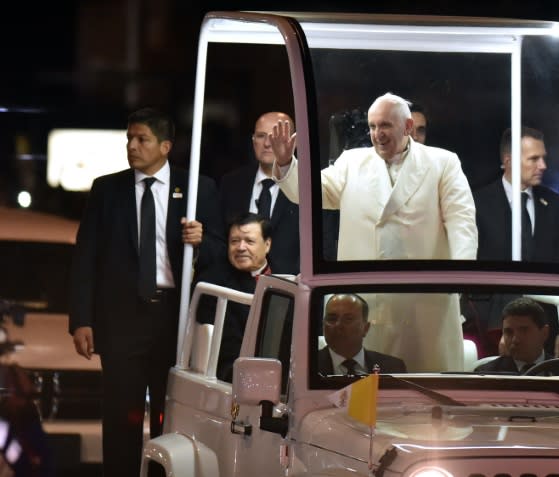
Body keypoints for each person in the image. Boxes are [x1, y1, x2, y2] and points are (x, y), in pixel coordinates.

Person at [68, 107, 225, 477]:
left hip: (175, 319)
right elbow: (85, 258)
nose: (132, 146)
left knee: (172, 416)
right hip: (121, 319)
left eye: (142, 139)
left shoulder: (198, 188)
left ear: (165, 146)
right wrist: (81, 319)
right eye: (129, 139)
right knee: (121, 415)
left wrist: (201, 241)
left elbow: (220, 251)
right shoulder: (107, 189)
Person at [271, 92, 477, 371]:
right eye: (372, 127)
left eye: (385, 126)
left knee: (424, 390)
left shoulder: (442, 163)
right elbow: (309, 194)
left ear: (406, 127)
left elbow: (462, 222)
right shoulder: (351, 162)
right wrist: (286, 163)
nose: (377, 134)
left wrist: (459, 276)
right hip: (367, 305)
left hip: (425, 304)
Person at [474, 126, 559, 262]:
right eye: (534, 159)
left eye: (543, 158)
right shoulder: (477, 203)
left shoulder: (554, 202)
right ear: (509, 162)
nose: (543, 165)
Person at [219, 111, 299, 274]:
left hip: (291, 287)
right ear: (253, 140)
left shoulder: (308, 186)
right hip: (236, 286)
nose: (268, 144)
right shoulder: (231, 183)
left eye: (275, 137)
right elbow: (221, 237)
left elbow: (324, 244)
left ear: (293, 142)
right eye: (261, 136)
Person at [204, 212, 273, 382]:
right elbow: (227, 345)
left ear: (267, 244)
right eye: (234, 241)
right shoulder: (214, 282)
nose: (241, 247)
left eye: (249, 241)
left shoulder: (286, 279)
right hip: (232, 373)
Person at [318, 294, 407, 375]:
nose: (338, 325)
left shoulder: (393, 367)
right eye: (332, 318)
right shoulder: (307, 365)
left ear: (365, 328)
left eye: (348, 319)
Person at [475, 297, 552, 373]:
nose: (515, 340)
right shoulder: (486, 374)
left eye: (523, 330)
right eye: (509, 332)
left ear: (544, 333)